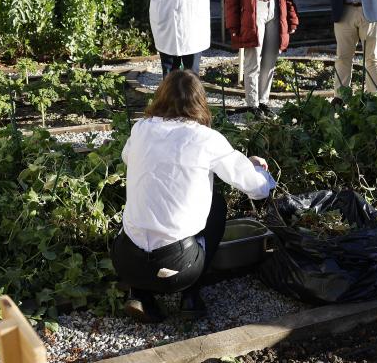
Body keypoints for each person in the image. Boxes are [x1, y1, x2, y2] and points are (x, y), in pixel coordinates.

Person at [112, 70, 276, 322]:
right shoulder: (206, 139)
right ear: (200, 102)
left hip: (126, 261)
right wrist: (257, 169)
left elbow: (127, 157)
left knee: (144, 204)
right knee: (217, 205)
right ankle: (190, 295)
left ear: (160, 97)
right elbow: (256, 187)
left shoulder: (141, 128)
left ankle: (140, 294)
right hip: (178, 266)